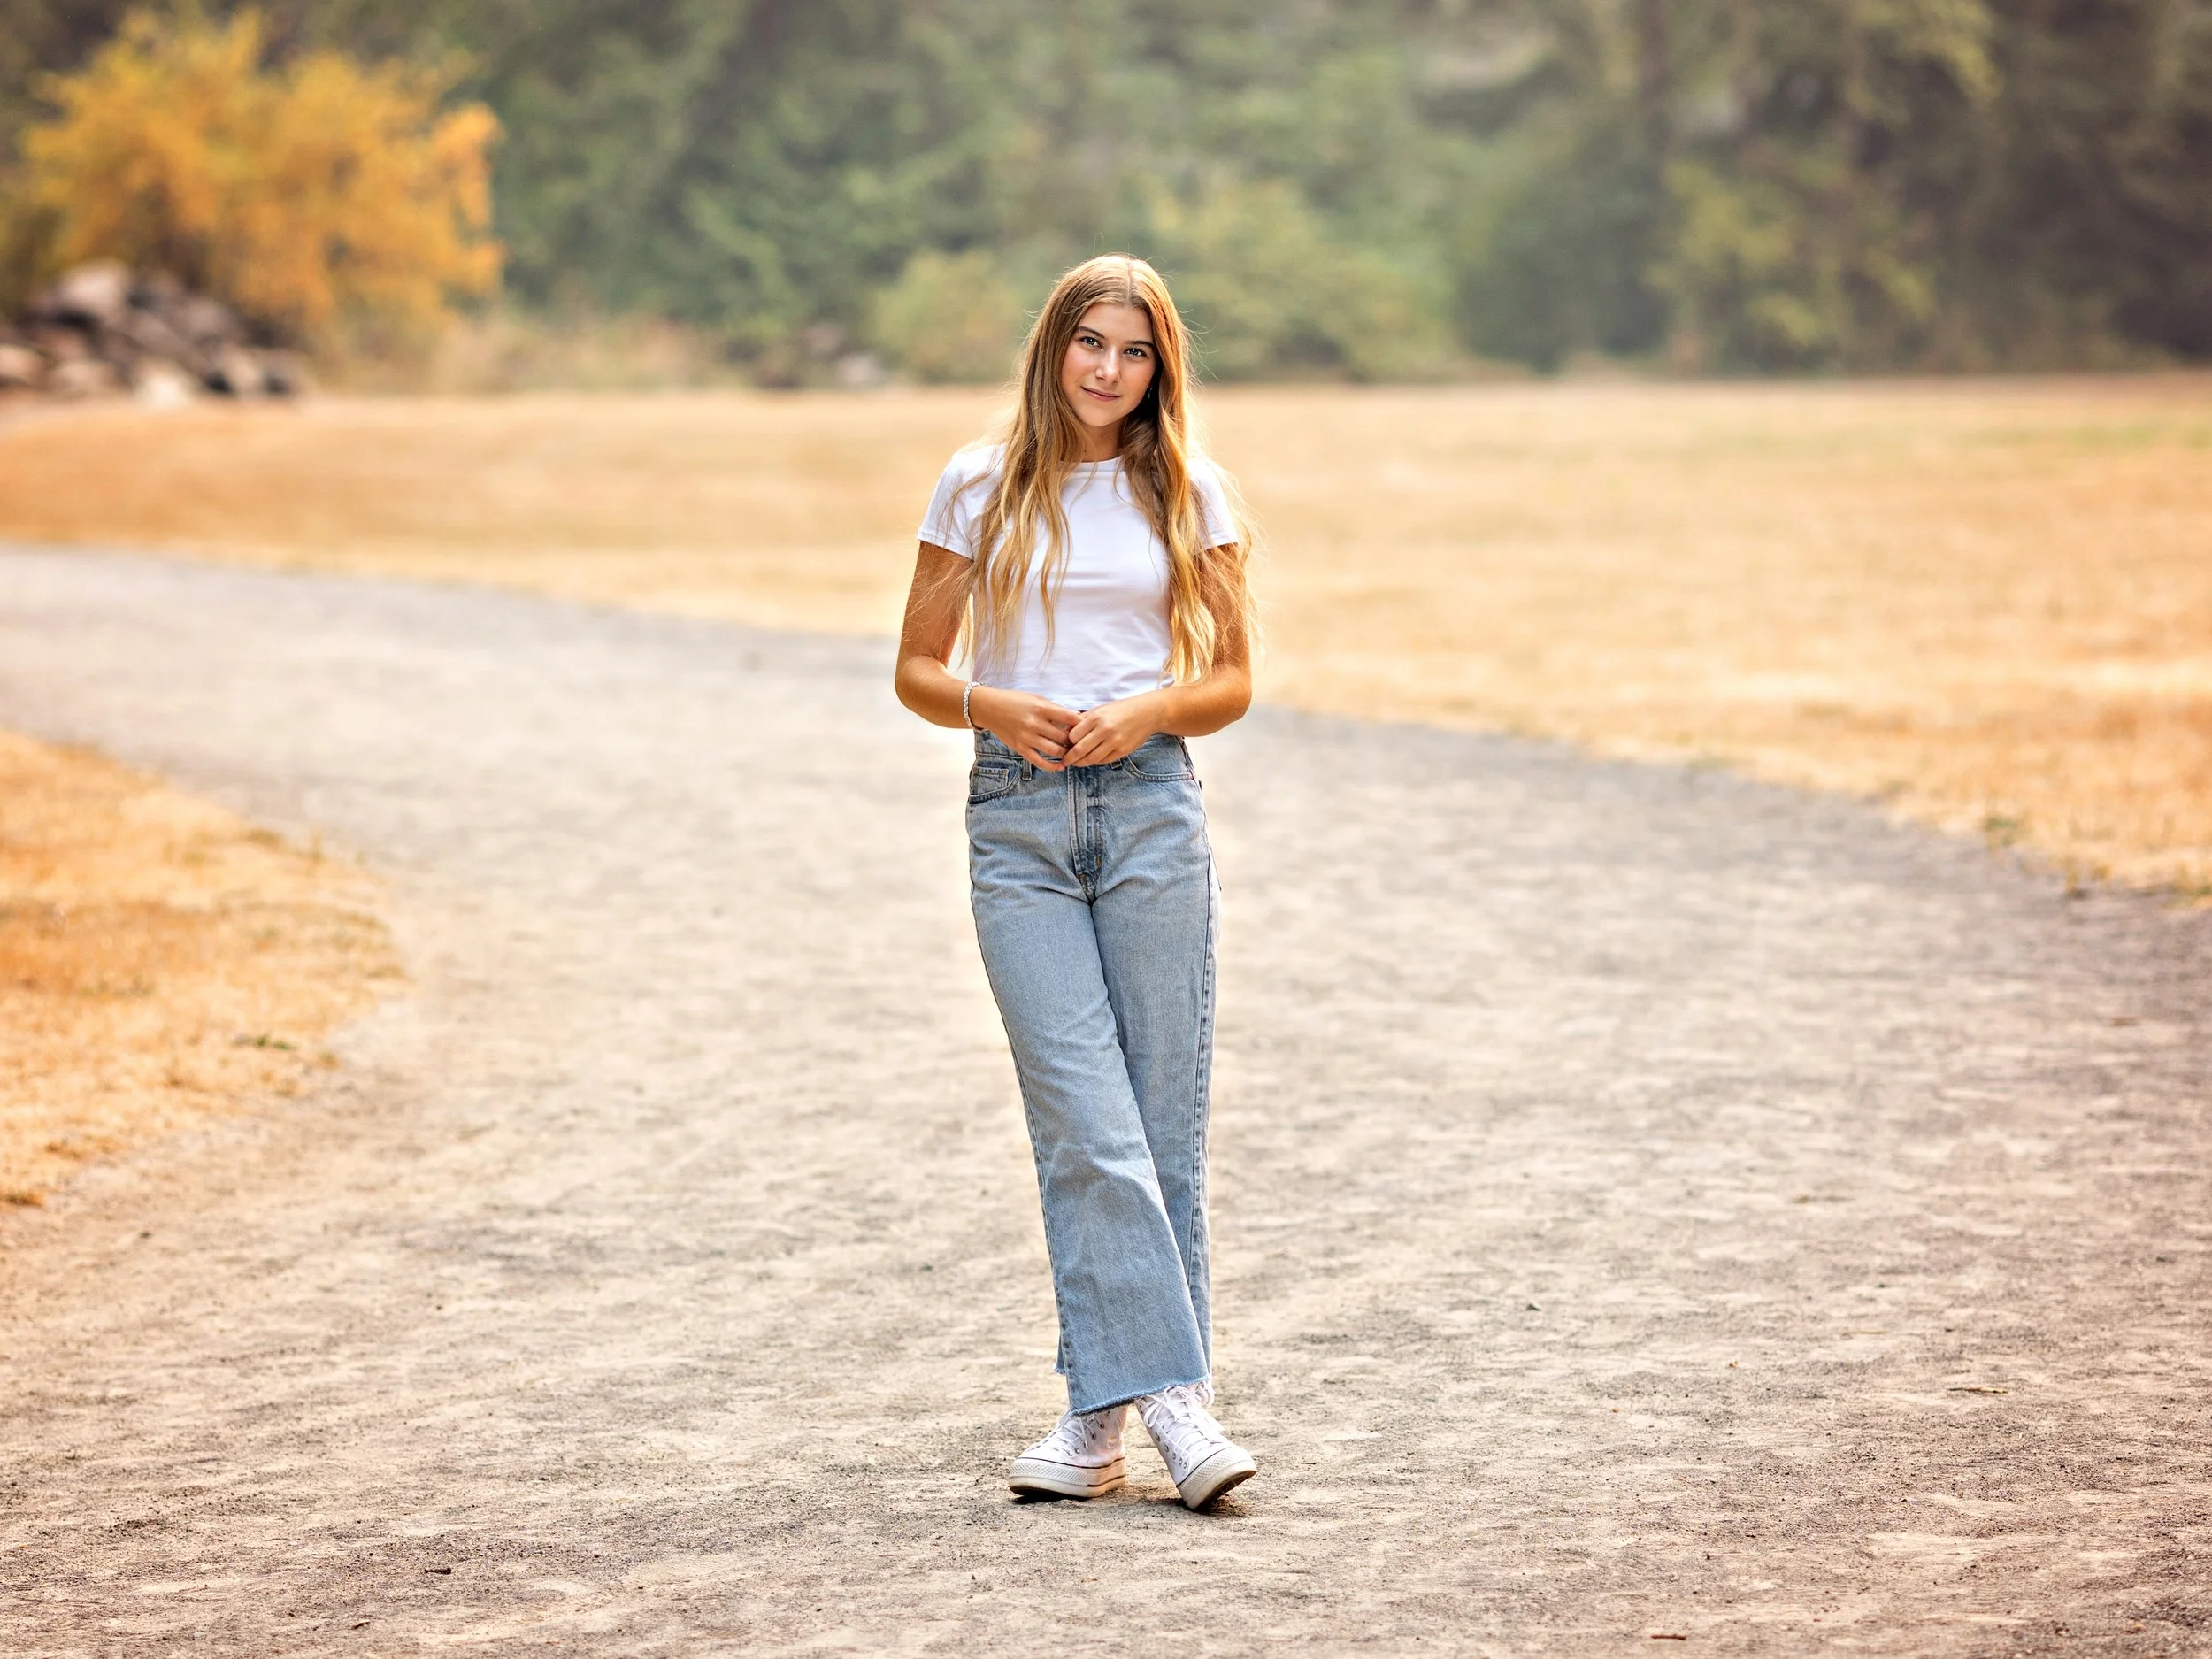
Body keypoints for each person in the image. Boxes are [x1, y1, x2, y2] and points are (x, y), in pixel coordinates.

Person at [893, 254, 1260, 1510]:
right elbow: (916, 669)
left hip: (1153, 811)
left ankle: (1100, 1423)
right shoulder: (978, 482)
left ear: (1162, 366)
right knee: (1085, 1125)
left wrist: (1149, 707)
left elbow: (1232, 681)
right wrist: (991, 700)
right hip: (1018, 822)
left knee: (1161, 1135)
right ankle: (1177, 1402)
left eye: (1136, 350)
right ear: (1054, 347)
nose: (1109, 370)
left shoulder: (1188, 489)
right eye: (1090, 343)